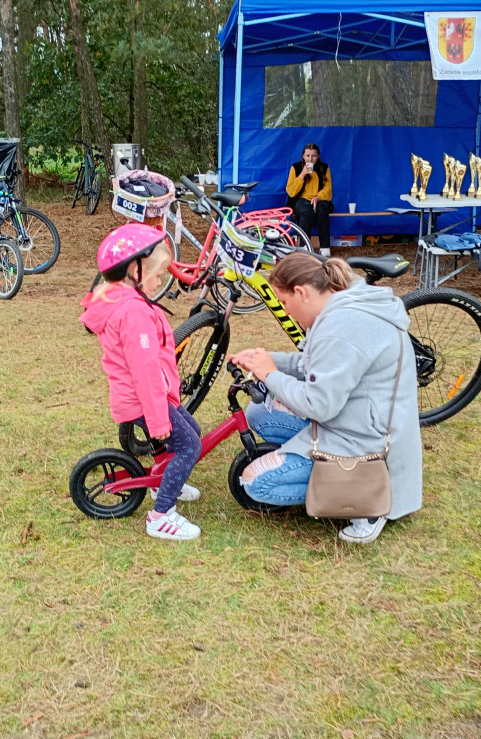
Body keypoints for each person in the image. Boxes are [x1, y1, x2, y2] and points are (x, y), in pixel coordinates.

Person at [229, 252, 422, 544]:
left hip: (366, 444)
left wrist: (270, 374)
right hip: (354, 421)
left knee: (256, 483)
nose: (286, 310)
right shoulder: (342, 304)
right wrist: (269, 361)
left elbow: (319, 405)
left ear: (301, 292)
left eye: (284, 303)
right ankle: (309, 462)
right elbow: (318, 367)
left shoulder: (343, 327)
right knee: (260, 413)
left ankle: (366, 502)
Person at [79, 224, 202, 540]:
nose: (161, 280)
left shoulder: (123, 299)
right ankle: (161, 515)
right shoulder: (132, 312)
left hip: (143, 396)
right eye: (158, 274)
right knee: (189, 446)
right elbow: (144, 371)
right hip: (144, 398)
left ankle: (165, 479)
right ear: (134, 270)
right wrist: (158, 418)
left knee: (191, 432)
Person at [285, 143, 334, 257]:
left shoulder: (324, 168)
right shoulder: (295, 168)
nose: (310, 159)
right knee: (306, 210)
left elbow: (328, 189)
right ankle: (304, 246)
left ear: (318, 156)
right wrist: (302, 175)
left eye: (313, 156)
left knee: (322, 209)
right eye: (307, 156)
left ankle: (325, 248)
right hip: (301, 200)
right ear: (303, 156)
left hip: (319, 199)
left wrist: (318, 197)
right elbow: (291, 191)